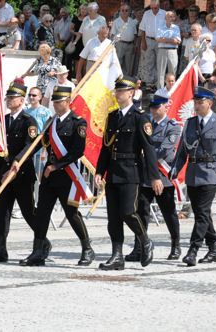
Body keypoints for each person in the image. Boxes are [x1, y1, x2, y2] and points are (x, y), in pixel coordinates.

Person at [20, 86, 95, 267]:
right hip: (49, 176)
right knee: (42, 214)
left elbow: (77, 151)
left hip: (67, 176)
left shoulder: (78, 123)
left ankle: (87, 248)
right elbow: (38, 143)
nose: (55, 104)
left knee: (72, 214)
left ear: (67, 102)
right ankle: (38, 251)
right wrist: (20, 159)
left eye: (59, 101)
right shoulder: (51, 123)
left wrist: (56, 166)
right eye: (54, 101)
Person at [94, 75, 162, 270]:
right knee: (113, 217)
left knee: (128, 212)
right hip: (113, 172)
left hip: (131, 172)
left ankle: (145, 241)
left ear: (131, 93)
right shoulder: (112, 116)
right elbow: (105, 147)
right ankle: (117, 256)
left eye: (121, 91)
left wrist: (154, 176)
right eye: (117, 90)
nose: (118, 93)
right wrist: (100, 171)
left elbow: (149, 149)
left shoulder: (141, 118)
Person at [170, 86, 216, 267]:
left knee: (202, 214)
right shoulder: (190, 123)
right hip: (193, 173)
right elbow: (183, 151)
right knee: (202, 213)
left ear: (209, 103)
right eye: (195, 102)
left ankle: (193, 249)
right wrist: (175, 168)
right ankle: (214, 249)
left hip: (211, 174)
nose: (197, 106)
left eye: (200, 103)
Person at [0, 82, 40, 263]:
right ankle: (1, 248)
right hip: (5, 174)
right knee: (2, 212)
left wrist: (17, 163)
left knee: (28, 212)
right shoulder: (4, 120)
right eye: (8, 97)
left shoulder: (28, 121)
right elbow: (2, 149)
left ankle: (42, 242)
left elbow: (31, 145)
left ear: (21, 100)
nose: (8, 101)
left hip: (22, 175)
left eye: (12, 98)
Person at [125, 93, 182, 261]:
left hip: (162, 176)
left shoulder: (172, 126)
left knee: (168, 213)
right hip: (145, 176)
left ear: (166, 107)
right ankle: (139, 247)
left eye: (158, 107)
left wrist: (144, 155)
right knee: (141, 213)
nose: (154, 110)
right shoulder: (146, 123)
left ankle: (176, 245)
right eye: (152, 107)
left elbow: (164, 149)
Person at [138, 0, 167, 91]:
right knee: (148, 62)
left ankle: (157, 83)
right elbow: (142, 29)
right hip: (149, 39)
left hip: (160, 41)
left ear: (159, 6)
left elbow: (168, 28)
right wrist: (143, 42)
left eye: (155, 8)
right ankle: (149, 84)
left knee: (159, 62)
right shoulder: (147, 14)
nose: (154, 10)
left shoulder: (164, 14)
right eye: (152, 8)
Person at [25, 87, 52, 177]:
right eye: (30, 95)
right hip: (27, 150)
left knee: (41, 176)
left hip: (39, 151)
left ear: (40, 97)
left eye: (34, 95)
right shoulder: (25, 112)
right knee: (28, 177)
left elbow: (47, 131)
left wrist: (44, 151)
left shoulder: (46, 112)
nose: (31, 97)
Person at [156, 11, 180, 90]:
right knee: (161, 73)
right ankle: (160, 91)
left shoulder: (176, 28)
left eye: (172, 16)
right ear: (165, 18)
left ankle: (172, 91)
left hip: (173, 51)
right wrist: (171, 40)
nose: (171, 18)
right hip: (162, 50)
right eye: (169, 16)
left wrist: (165, 39)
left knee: (172, 72)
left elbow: (178, 41)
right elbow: (158, 39)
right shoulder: (160, 27)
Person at [111, 3, 137, 76]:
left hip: (130, 45)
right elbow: (112, 34)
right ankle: (117, 79)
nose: (124, 12)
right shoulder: (116, 21)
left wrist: (134, 45)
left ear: (129, 11)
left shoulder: (132, 21)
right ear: (120, 11)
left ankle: (127, 81)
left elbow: (135, 34)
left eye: (126, 10)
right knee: (118, 62)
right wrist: (114, 45)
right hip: (120, 44)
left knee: (129, 64)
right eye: (123, 10)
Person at [179, 6, 203, 75]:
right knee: (183, 65)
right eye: (190, 10)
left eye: (194, 10)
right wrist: (183, 34)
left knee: (193, 64)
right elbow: (178, 33)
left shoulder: (200, 22)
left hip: (195, 45)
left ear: (197, 12)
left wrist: (189, 34)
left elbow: (200, 32)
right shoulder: (183, 22)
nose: (192, 12)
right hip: (184, 45)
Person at [69, 4, 88, 79]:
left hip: (86, 41)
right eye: (82, 9)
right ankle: (77, 78)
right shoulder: (75, 18)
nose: (83, 10)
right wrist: (76, 33)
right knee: (77, 60)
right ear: (80, 10)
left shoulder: (88, 18)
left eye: (85, 9)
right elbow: (70, 30)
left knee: (85, 61)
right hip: (77, 41)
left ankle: (85, 78)